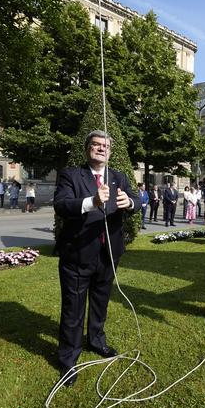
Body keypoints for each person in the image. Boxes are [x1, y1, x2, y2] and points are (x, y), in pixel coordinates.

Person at [53, 130, 141, 386]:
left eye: (106, 146)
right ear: (87, 148)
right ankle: (68, 360)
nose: (102, 149)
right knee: (73, 310)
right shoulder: (71, 175)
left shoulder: (118, 177)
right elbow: (61, 205)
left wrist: (130, 202)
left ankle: (96, 340)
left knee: (100, 304)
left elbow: (136, 199)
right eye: (96, 145)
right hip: (78, 254)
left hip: (109, 254)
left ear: (111, 152)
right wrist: (91, 201)